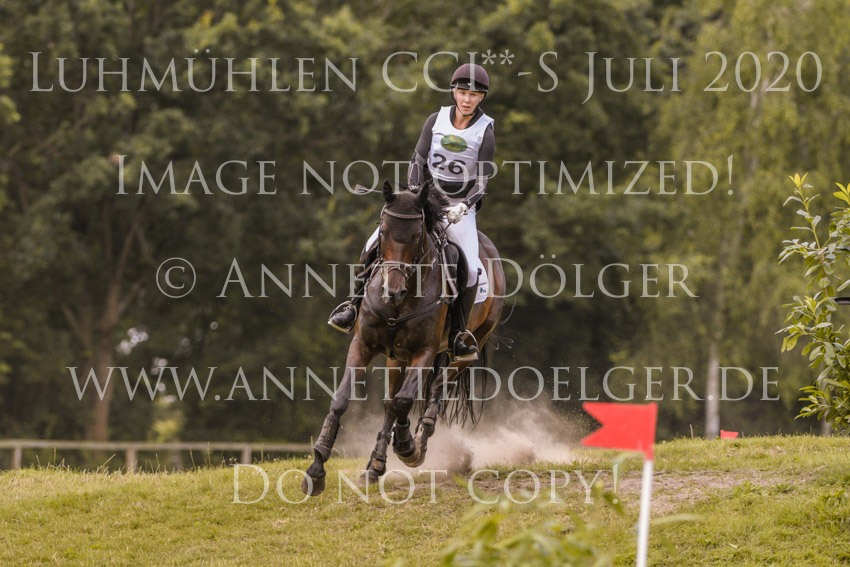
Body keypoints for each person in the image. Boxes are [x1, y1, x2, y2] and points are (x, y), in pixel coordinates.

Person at [328, 63, 495, 362]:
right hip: (425, 200)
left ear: (481, 97)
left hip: (459, 207)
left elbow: (482, 181)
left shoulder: (485, 130)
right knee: (372, 243)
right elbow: (417, 160)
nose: (467, 99)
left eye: (473, 94)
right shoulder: (435, 120)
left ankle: (458, 335)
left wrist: (464, 205)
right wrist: (416, 194)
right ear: (454, 92)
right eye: (462, 92)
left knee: (470, 268)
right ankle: (352, 306)